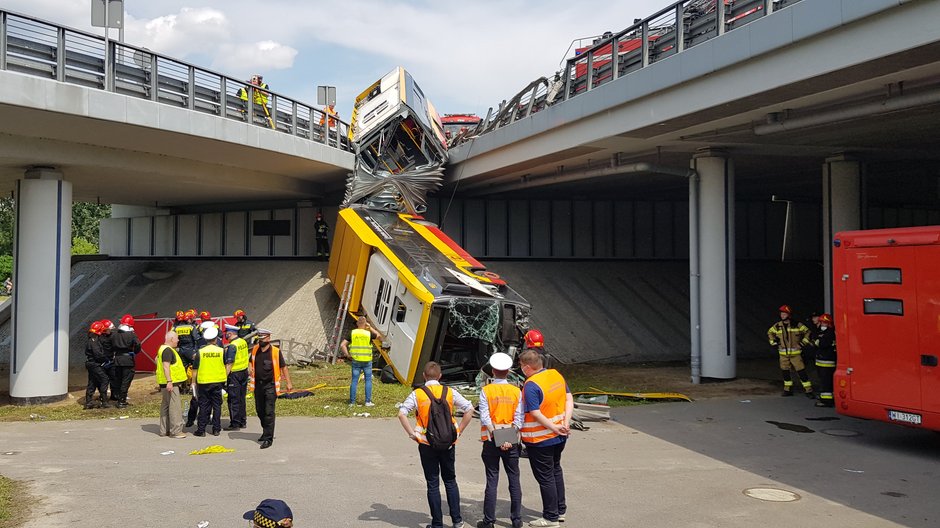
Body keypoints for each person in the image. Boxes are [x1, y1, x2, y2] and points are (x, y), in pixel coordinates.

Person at [398, 361, 474, 528]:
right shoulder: (449, 392)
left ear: (424, 376)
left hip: (426, 443)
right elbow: (469, 409)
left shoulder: (418, 393)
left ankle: (437, 523)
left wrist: (412, 433)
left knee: (432, 483)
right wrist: (459, 430)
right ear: (440, 376)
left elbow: (402, 413)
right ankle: (457, 520)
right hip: (448, 442)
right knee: (450, 480)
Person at [519, 349, 573, 527]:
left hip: (540, 440)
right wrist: (564, 423)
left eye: (521, 366)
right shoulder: (555, 375)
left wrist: (553, 427)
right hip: (560, 436)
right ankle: (560, 510)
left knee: (545, 477)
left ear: (527, 367)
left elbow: (534, 413)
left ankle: (550, 517)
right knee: (556, 470)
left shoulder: (531, 384)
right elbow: (568, 398)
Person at [477, 352, 524, 528]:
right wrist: (508, 438)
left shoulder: (486, 391)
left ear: (493, 371)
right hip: (512, 441)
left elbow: (485, 418)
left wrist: (497, 437)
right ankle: (516, 520)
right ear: (509, 370)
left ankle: (488, 521)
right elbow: (519, 419)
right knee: (514, 479)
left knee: (492, 480)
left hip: (491, 440)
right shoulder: (516, 391)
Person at [249, 329, 293, 449]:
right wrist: (250, 369)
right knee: (259, 410)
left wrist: (288, 382)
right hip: (258, 385)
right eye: (259, 339)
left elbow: (284, 368)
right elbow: (250, 362)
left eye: (262, 338)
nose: (260, 341)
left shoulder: (275, 352)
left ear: (268, 338)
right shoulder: (255, 350)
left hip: (270, 386)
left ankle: (268, 438)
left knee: (269, 412)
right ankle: (265, 430)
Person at [767, 304, 814, 398]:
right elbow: (770, 333)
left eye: (784, 314)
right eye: (781, 314)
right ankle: (787, 390)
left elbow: (808, 332)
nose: (782, 315)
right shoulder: (777, 326)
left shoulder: (797, 325)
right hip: (783, 354)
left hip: (796, 354)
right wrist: (774, 343)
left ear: (789, 315)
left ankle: (809, 391)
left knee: (801, 372)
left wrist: (802, 344)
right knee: (785, 372)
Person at [192, 326, 226, 437]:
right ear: (216, 339)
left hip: (204, 382)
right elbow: (226, 365)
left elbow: (195, 369)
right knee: (217, 406)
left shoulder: (200, 352)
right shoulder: (221, 351)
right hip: (217, 382)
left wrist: (193, 382)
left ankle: (201, 430)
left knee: (203, 406)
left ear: (206, 340)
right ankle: (216, 429)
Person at [156, 331, 187, 438]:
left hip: (164, 382)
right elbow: (166, 366)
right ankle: (176, 431)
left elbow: (157, 361)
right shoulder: (168, 351)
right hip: (171, 383)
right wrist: (169, 381)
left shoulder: (162, 349)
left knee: (165, 406)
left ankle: (164, 430)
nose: (178, 340)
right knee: (175, 407)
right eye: (177, 338)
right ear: (171, 339)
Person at [341, 316, 377, 406]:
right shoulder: (368, 334)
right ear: (365, 324)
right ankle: (368, 401)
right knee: (368, 380)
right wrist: (370, 327)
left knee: (354, 381)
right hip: (367, 361)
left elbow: (342, 345)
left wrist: (348, 355)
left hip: (356, 360)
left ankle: (352, 402)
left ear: (357, 323)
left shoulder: (352, 333)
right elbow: (379, 336)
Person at [174, 309, 201, 428]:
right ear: (190, 319)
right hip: (190, 350)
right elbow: (197, 338)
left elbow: (175, 338)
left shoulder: (177, 328)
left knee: (183, 369)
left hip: (181, 351)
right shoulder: (191, 327)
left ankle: (183, 386)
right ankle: (193, 385)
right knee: (195, 368)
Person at [110, 314, 141, 408]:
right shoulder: (131, 334)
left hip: (117, 359)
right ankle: (122, 401)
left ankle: (118, 397)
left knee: (118, 380)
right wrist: (134, 352)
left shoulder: (114, 334)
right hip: (127, 359)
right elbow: (138, 345)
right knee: (126, 380)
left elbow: (109, 345)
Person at [223, 325, 250, 430]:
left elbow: (229, 363)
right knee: (241, 398)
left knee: (233, 399)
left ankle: (235, 423)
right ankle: (243, 421)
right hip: (244, 372)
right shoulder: (242, 342)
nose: (225, 335)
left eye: (226, 333)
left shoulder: (232, 346)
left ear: (230, 334)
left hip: (234, 374)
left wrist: (224, 377)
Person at [84, 321, 111, 409]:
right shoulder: (94, 341)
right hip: (95, 364)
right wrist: (106, 360)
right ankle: (104, 401)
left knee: (92, 381)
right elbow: (98, 354)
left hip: (90, 363)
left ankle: (89, 402)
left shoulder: (91, 339)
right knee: (104, 379)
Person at [814, 313, 837, 408]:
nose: (823, 325)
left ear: (829, 324)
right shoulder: (828, 332)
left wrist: (817, 341)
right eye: (822, 323)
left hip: (826, 362)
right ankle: (826, 398)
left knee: (825, 382)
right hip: (824, 361)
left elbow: (821, 344)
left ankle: (826, 401)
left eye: (824, 323)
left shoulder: (829, 334)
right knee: (826, 381)